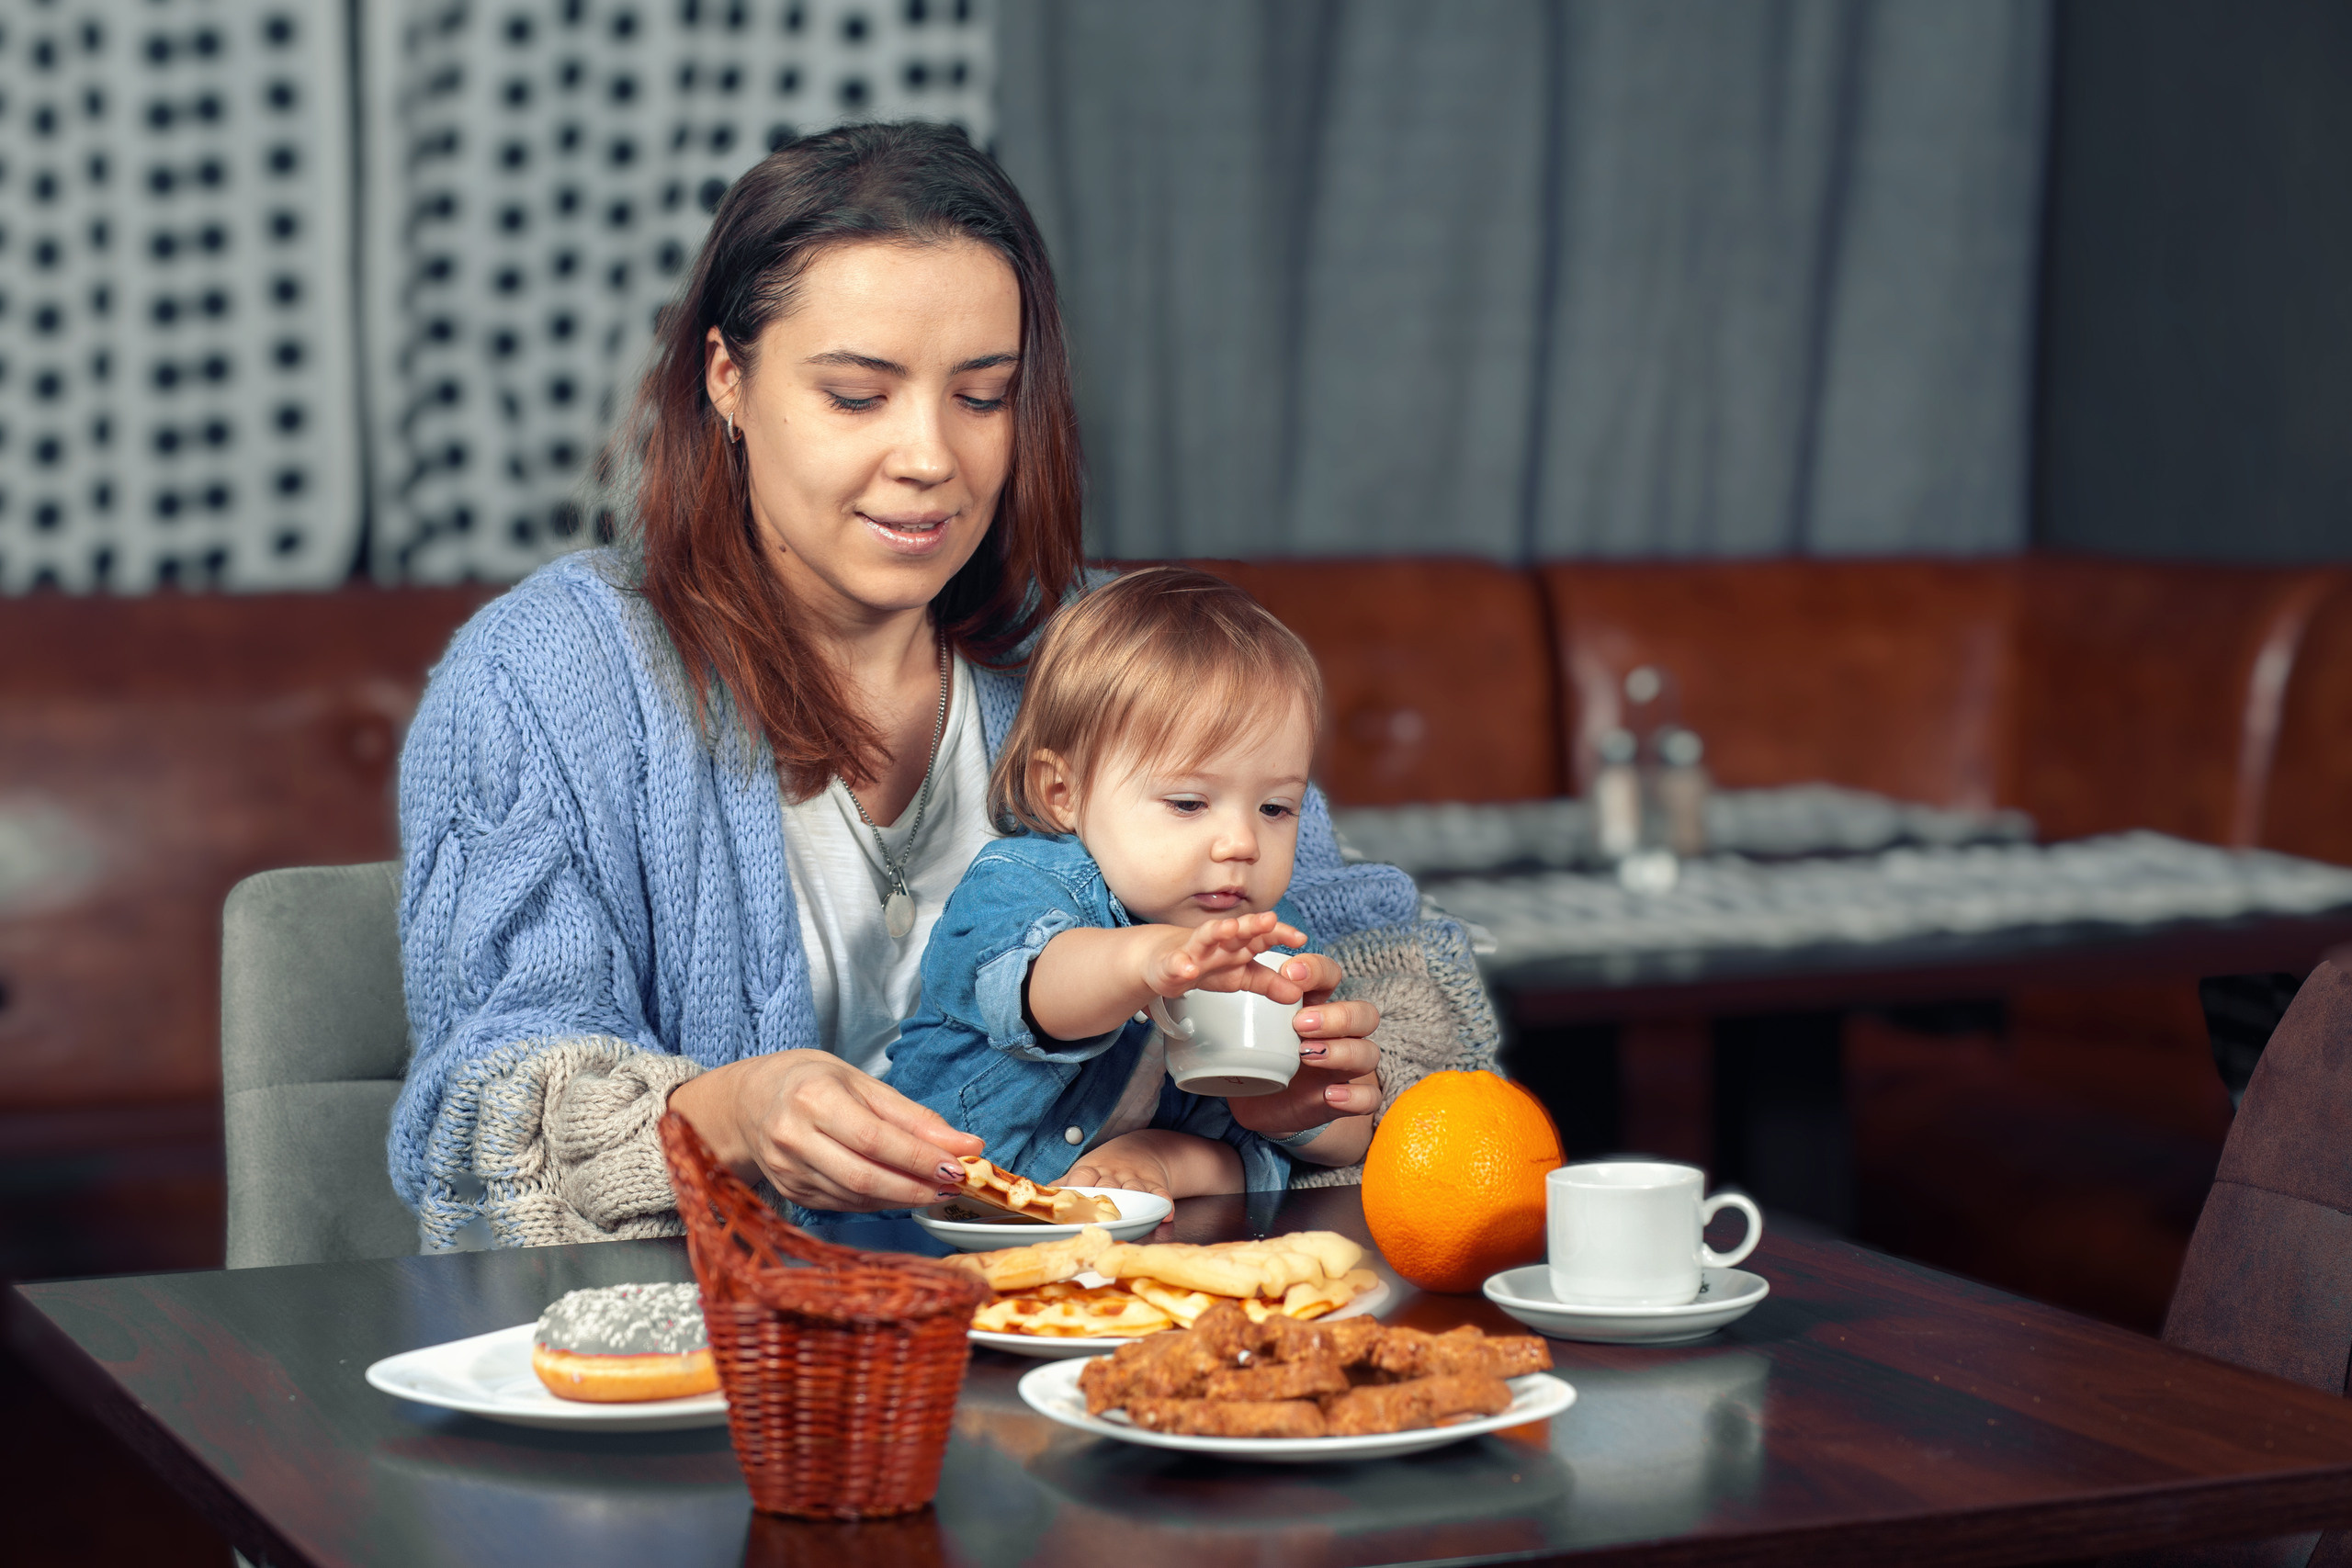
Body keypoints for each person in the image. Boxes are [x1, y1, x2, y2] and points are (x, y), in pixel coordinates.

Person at [389, 122, 1475, 1249]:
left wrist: (1309, 1104)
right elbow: (481, 1116)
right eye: (858, 396)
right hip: (738, 1374)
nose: (931, 459)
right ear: (728, 378)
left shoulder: (1118, 653)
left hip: (1088, 1355)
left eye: (982, 395)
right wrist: (724, 1116)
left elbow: (1391, 995)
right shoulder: (547, 679)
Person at [890, 568, 1375, 1200]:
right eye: (1187, 802)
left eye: (1276, 808)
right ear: (1062, 792)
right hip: (911, 1233)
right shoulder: (1020, 885)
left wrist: (1293, 1112)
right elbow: (1044, 993)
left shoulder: (1262, 961)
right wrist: (1152, 959)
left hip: (1107, 1284)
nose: (1243, 844)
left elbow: (1284, 1161)